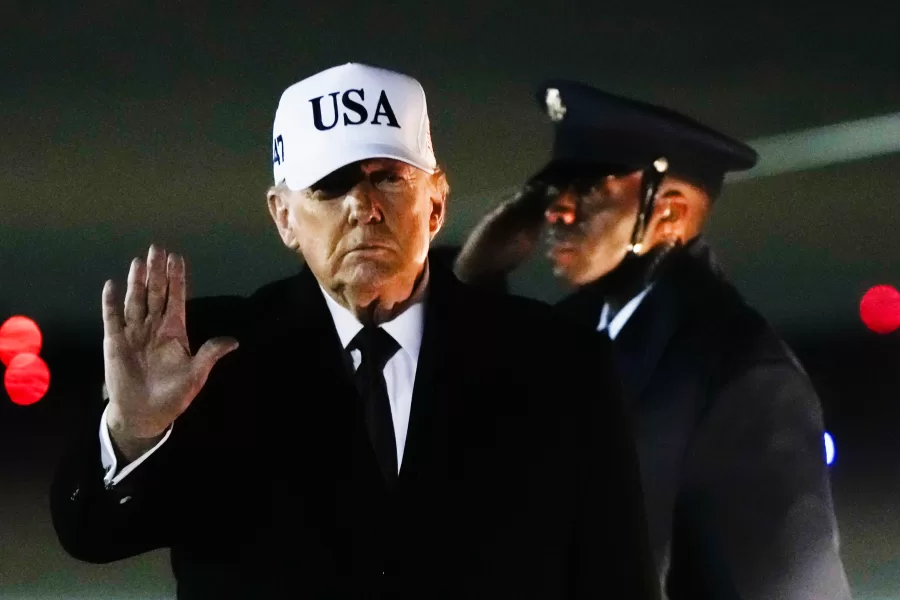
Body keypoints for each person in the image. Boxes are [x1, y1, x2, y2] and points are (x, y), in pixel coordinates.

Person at [50, 64, 658, 599]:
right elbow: (94, 536)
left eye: (388, 177)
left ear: (437, 203)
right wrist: (134, 433)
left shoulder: (558, 365)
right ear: (283, 216)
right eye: (330, 185)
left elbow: (617, 579)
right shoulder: (207, 359)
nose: (362, 207)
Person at [454, 80, 851, 599]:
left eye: (590, 190)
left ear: (668, 213)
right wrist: (475, 282)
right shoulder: (576, 330)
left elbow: (784, 587)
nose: (557, 212)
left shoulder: (738, 373)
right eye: (554, 190)